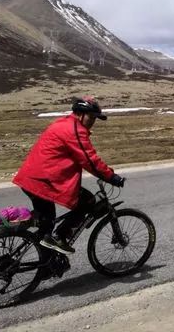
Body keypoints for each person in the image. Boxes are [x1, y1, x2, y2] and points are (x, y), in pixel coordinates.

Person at [13, 96, 124, 254]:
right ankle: (60, 237)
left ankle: (47, 262)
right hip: (43, 180)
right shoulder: (74, 130)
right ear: (80, 114)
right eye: (91, 117)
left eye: (95, 118)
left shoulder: (64, 123)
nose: (93, 121)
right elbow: (89, 160)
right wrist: (111, 177)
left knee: (46, 223)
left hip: (34, 177)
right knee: (88, 201)